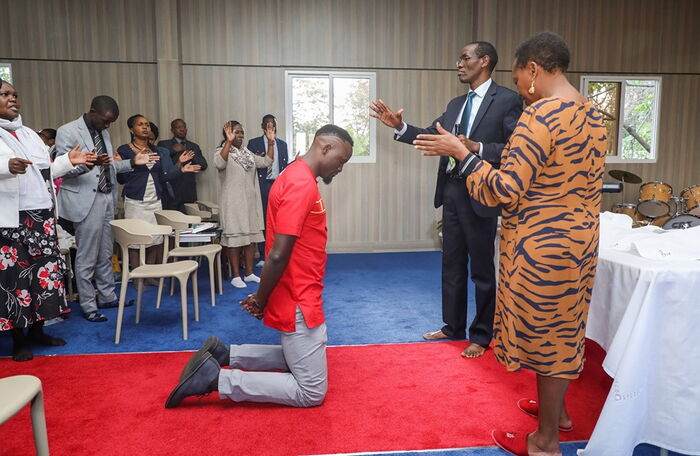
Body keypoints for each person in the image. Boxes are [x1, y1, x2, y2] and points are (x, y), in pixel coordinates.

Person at [413, 32, 607, 456]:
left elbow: (503, 189)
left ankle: (545, 442)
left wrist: (461, 156)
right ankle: (560, 414)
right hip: (580, 241)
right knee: (564, 331)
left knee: (546, 338)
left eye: (519, 77)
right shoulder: (593, 113)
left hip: (542, 246)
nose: (518, 86)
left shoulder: (539, 117)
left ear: (533, 71)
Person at [164, 124, 354, 409]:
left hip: (297, 289)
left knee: (300, 357)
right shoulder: (301, 183)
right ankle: (215, 380)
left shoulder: (295, 173)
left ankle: (225, 354)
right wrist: (261, 298)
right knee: (311, 391)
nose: (340, 168)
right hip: (298, 294)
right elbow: (278, 254)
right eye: (341, 160)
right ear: (326, 148)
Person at [370, 41, 523, 358]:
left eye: (465, 58)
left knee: (482, 271)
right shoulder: (456, 104)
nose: (458, 63)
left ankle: (481, 336)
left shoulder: (508, 100)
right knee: (451, 265)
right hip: (452, 191)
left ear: (484, 61)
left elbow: (513, 149)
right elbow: (429, 133)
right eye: (458, 58)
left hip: (482, 191)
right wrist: (400, 126)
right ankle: (452, 326)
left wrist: (475, 147)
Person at [0, 78, 97, 361]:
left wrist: (69, 161)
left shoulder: (29, 134)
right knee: (15, 281)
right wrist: (6, 166)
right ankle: (18, 339)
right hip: (11, 221)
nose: (12, 98)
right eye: (5, 94)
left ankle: (38, 331)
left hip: (41, 216)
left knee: (46, 276)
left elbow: (46, 171)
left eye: (15, 94)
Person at [55, 95, 156, 322]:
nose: (107, 125)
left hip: (106, 197)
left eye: (110, 122)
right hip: (84, 201)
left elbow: (108, 166)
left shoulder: (104, 132)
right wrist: (87, 163)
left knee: (105, 252)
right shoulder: (68, 131)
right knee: (87, 256)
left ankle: (108, 296)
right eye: (104, 121)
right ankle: (89, 305)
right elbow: (62, 169)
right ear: (92, 111)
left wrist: (131, 163)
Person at [116, 115, 199, 270]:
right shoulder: (125, 150)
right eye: (140, 124)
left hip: (155, 200)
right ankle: (137, 274)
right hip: (135, 201)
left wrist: (181, 169)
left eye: (147, 124)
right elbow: (121, 179)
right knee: (136, 239)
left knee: (155, 238)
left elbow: (163, 177)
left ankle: (152, 272)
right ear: (131, 129)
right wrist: (125, 163)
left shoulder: (157, 150)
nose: (145, 127)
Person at [214, 120, 273, 288]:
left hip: (250, 203)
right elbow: (219, 163)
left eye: (241, 133)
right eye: (236, 132)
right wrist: (229, 142)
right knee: (234, 240)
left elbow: (266, 162)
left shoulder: (247, 153)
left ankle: (248, 273)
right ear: (227, 133)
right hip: (233, 203)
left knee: (251, 240)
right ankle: (235, 276)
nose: (240, 135)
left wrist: (270, 142)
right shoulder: (221, 151)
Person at [247, 114, 289, 265]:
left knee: (279, 219)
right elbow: (248, 164)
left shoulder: (283, 144)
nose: (270, 127)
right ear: (262, 126)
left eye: (273, 124)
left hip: (278, 184)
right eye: (267, 124)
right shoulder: (253, 143)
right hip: (262, 184)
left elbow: (284, 167)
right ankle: (264, 255)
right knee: (263, 219)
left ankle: (278, 252)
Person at [157, 118, 208, 211]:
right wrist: (173, 150)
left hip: (188, 191)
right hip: (170, 191)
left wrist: (187, 152)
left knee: (190, 221)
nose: (182, 129)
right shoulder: (164, 144)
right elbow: (160, 163)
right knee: (170, 222)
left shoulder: (193, 146)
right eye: (178, 127)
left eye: (184, 127)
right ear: (172, 130)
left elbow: (203, 165)